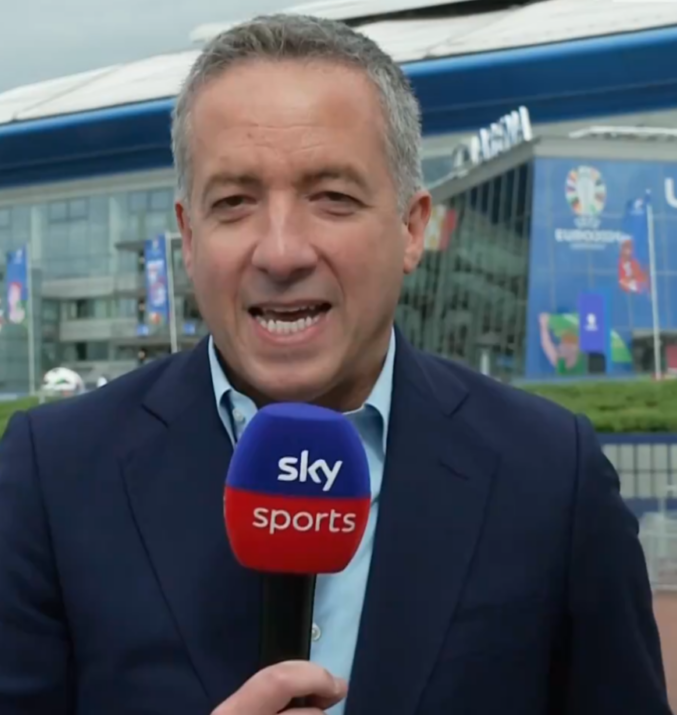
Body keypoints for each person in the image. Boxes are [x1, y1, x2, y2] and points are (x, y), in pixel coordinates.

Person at [0, 13, 670, 715]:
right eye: (234, 202)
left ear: (411, 229)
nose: (282, 251)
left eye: (333, 199)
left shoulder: (549, 475)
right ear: (189, 237)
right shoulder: (54, 473)